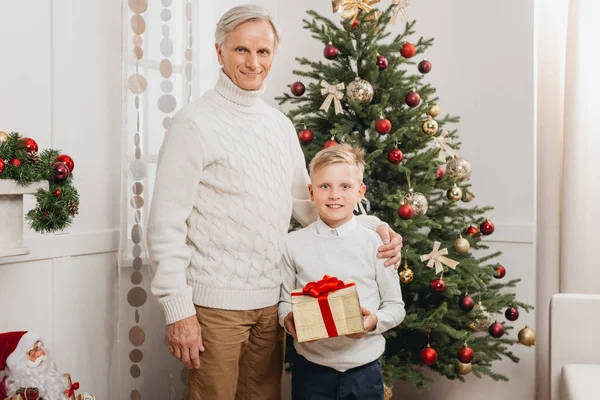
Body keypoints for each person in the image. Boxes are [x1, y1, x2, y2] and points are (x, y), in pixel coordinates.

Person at [146, 5, 403, 399]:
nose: (253, 62)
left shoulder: (279, 127)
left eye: (263, 52)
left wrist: (377, 230)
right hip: (216, 308)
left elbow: (308, 203)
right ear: (220, 53)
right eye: (241, 50)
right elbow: (164, 225)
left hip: (273, 308)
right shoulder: (193, 124)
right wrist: (178, 310)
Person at [279, 144, 406, 400]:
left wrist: (372, 323)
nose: (334, 195)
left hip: (366, 371)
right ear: (311, 192)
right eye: (325, 186)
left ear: (360, 192)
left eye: (345, 186)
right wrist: (288, 319)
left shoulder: (376, 245)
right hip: (312, 370)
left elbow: (395, 307)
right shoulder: (292, 244)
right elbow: (283, 302)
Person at [0, 331, 69, 400]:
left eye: (39, 348)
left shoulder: (54, 380)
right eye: (33, 351)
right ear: (18, 363)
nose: (40, 354)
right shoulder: (7, 387)